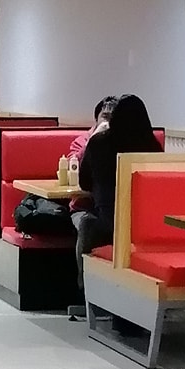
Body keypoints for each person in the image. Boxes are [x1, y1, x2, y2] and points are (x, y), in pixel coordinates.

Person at [70, 93, 161, 301]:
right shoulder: (153, 147)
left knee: (87, 224)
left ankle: (86, 292)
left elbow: (84, 183)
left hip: (108, 223)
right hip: (145, 228)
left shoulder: (99, 143)